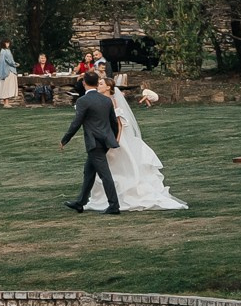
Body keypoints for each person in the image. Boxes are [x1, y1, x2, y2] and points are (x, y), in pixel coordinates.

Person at [102, 74, 188, 210]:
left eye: (101, 84)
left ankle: (128, 190)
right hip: (110, 135)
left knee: (122, 162)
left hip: (118, 137)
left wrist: (116, 140)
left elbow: (120, 122)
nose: (98, 86)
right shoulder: (103, 100)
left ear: (108, 87)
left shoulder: (112, 101)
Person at [60, 76, 122, 214]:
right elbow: (113, 122)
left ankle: (114, 205)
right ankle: (80, 202)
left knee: (105, 174)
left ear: (84, 83)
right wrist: (111, 138)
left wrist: (65, 139)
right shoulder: (106, 100)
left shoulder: (83, 101)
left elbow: (77, 122)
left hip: (94, 142)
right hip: (104, 141)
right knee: (88, 171)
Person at [0, 39, 19, 105]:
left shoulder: (0, 52)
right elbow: (10, 61)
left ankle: (6, 102)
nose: (8, 44)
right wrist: (15, 64)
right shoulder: (6, 51)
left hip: (2, 72)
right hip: (8, 71)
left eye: (8, 43)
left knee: (4, 87)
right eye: (6, 43)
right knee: (7, 87)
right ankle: (6, 103)